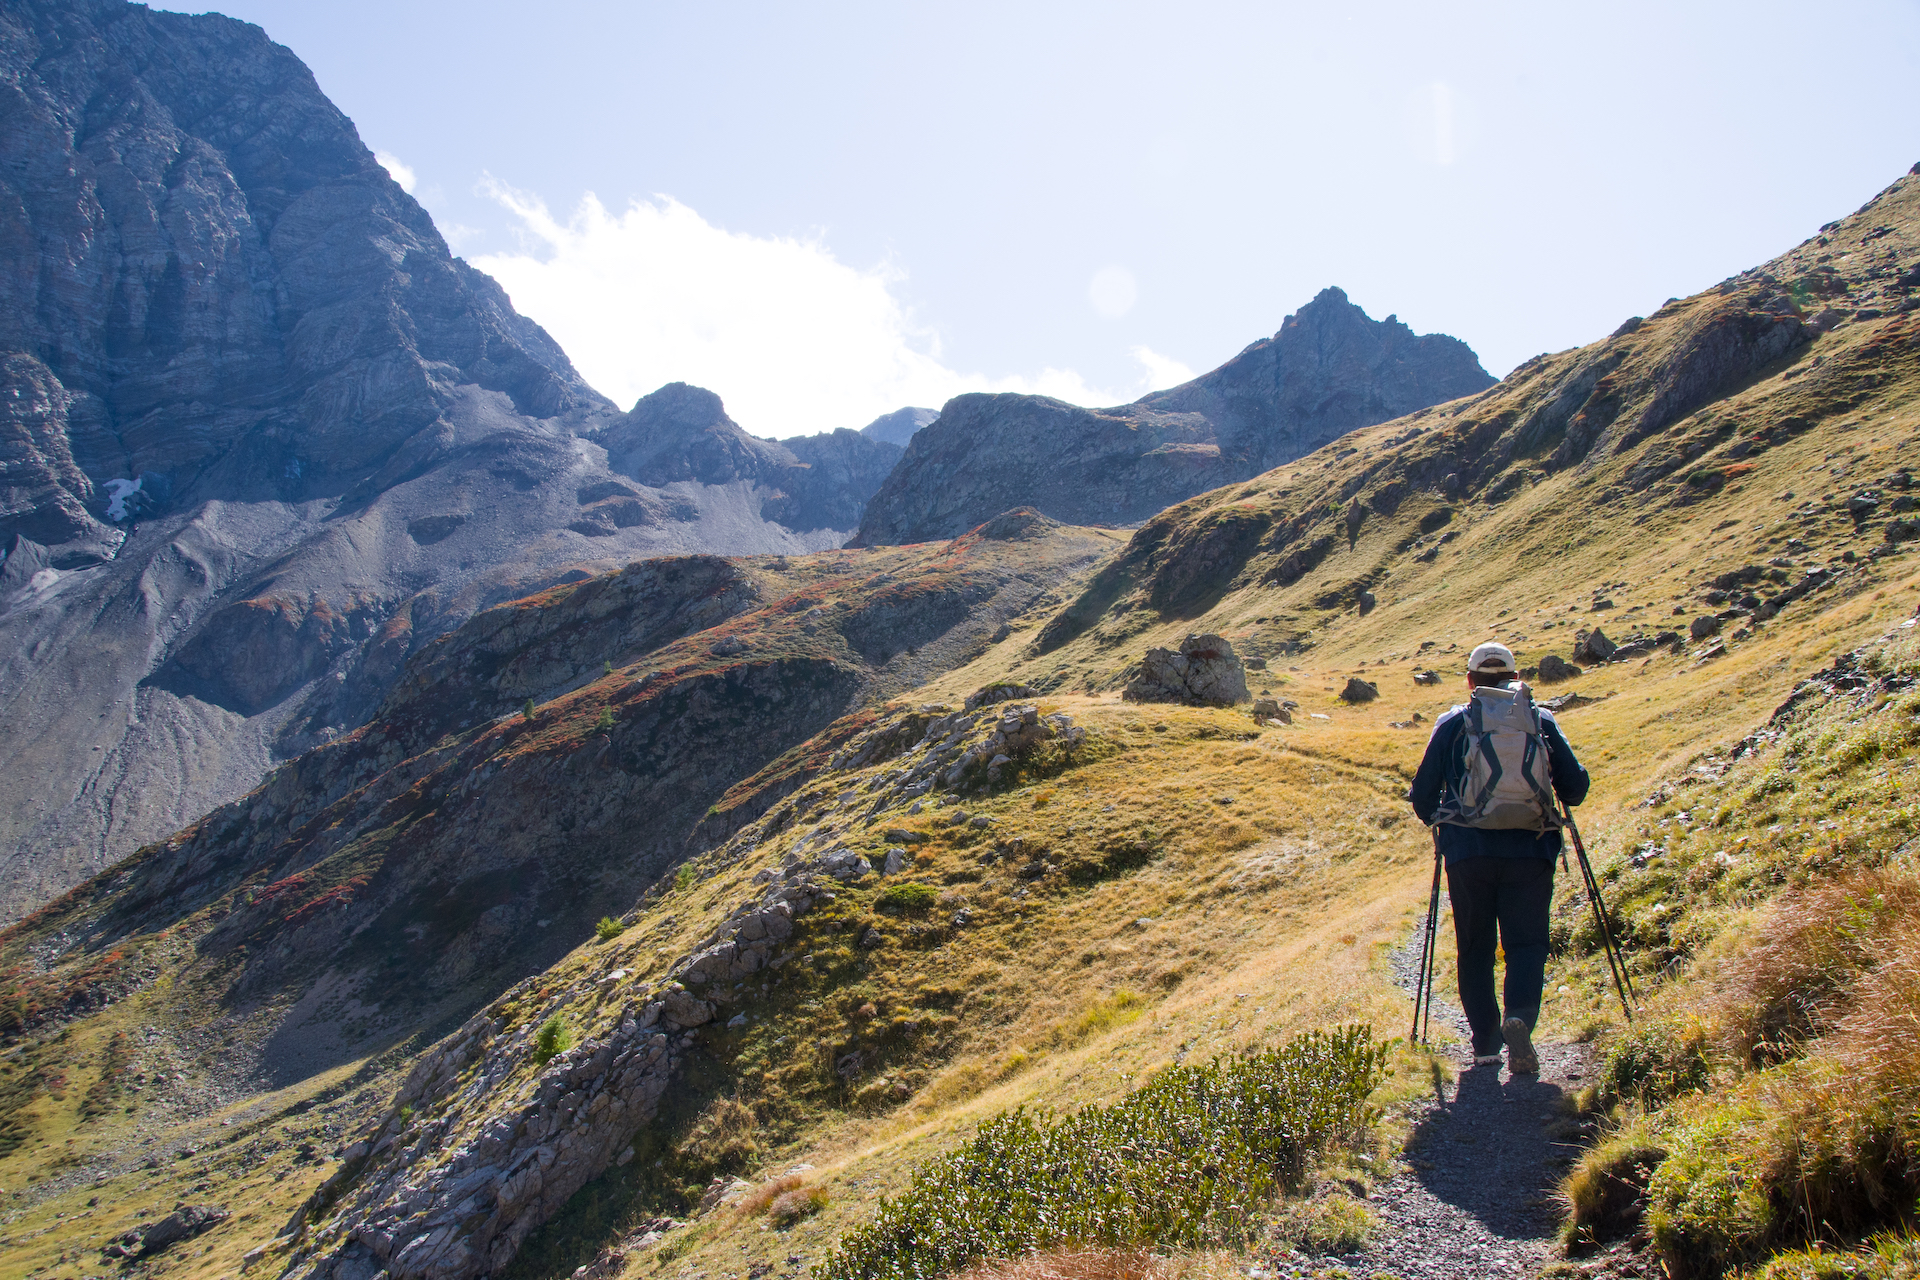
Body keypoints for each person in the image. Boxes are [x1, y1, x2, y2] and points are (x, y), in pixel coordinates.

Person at [1409, 641, 1589, 1074]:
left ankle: (1486, 1044)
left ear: (1470, 680)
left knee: (1476, 948)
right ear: (1516, 677)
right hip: (1531, 849)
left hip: (1469, 852)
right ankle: (1520, 1019)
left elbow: (1421, 796)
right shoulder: (1539, 718)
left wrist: (1445, 820)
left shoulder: (1454, 722)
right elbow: (1576, 789)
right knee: (1526, 944)